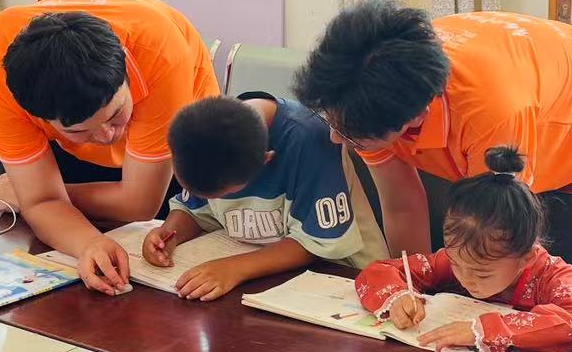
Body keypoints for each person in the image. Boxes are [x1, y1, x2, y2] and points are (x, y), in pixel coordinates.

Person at [293, 0, 572, 254]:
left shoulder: (491, 113)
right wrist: (410, 288)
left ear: (415, 118)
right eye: (330, 120)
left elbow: (499, 240)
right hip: (528, 89)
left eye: (349, 132)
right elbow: (402, 204)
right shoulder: (367, 89)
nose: (335, 137)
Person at [0, 0, 218, 293]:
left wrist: (28, 196)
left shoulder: (160, 54)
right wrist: (88, 242)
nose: (107, 136)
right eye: (79, 131)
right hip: (73, 157)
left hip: (178, 137)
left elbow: (140, 204)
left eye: (115, 115)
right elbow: (44, 202)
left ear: (127, 70)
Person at [140, 93, 388, 301]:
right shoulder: (207, 138)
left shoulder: (311, 141)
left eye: (224, 195)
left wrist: (234, 268)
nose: (215, 201)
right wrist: (170, 233)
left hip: (346, 281)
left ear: (266, 161)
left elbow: (316, 244)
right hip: (263, 279)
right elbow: (195, 210)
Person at [354, 147, 572, 352]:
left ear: (526, 258)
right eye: (455, 264)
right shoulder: (459, 261)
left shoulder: (554, 276)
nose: (465, 278)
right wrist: (398, 297)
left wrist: (481, 331)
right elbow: (380, 270)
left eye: (482, 274)